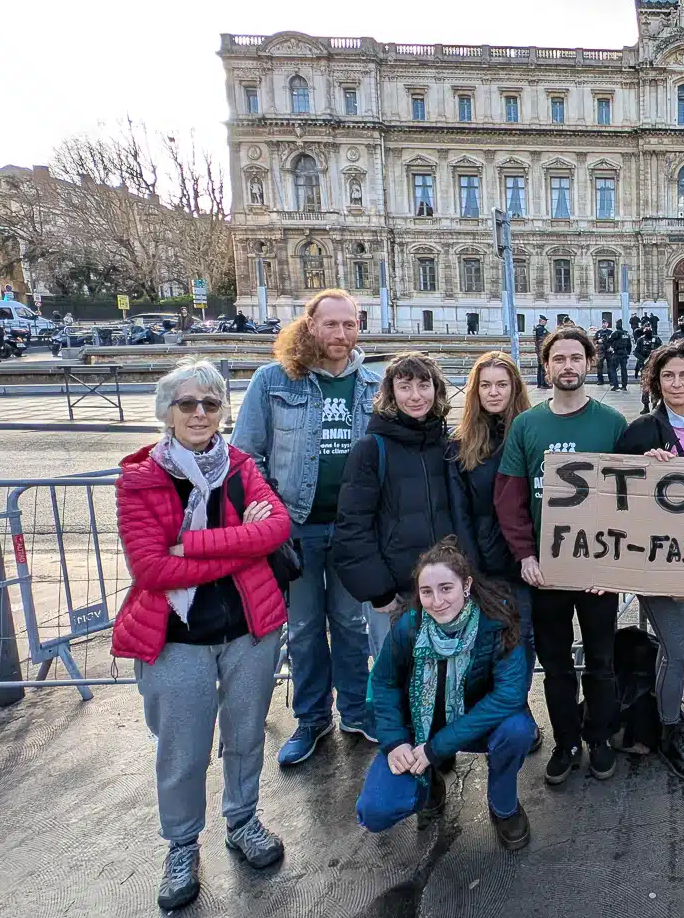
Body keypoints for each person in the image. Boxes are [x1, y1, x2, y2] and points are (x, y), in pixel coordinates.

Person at [112, 358, 291, 911]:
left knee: (245, 738)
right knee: (183, 752)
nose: (198, 413)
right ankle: (182, 844)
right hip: (175, 637)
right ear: (167, 411)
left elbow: (276, 528)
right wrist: (240, 544)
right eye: (187, 403)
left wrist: (191, 545)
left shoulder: (240, 467)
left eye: (210, 404)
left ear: (222, 412)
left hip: (249, 630)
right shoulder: (142, 477)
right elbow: (151, 570)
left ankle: (242, 821)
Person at [232, 289, 380, 767]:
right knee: (303, 628)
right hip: (295, 529)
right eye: (331, 324)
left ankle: (356, 710)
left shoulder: (374, 386)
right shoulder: (274, 381)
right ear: (310, 325)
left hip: (353, 529)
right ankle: (312, 718)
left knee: (351, 625)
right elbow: (246, 454)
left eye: (350, 325)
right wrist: (268, 509)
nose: (340, 334)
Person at [494, 326, 628, 785]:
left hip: (597, 569)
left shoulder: (611, 422)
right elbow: (509, 499)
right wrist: (525, 556)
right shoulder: (527, 425)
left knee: (601, 660)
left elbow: (633, 499)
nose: (568, 366)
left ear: (589, 363)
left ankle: (599, 737)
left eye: (576, 357)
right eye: (559, 359)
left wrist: (614, 563)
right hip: (546, 571)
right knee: (554, 664)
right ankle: (566, 739)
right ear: (546, 366)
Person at [356, 540, 535, 850]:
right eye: (427, 592)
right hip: (419, 729)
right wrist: (395, 740)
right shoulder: (409, 627)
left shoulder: (497, 624)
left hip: (474, 724)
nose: (437, 601)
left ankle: (503, 804)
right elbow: (383, 683)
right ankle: (427, 786)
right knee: (375, 810)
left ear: (466, 585)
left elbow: (509, 695)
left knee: (517, 729)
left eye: (446, 588)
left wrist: (435, 749)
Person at [614, 342, 684, 783]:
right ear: (656, 382)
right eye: (669, 376)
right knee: (676, 650)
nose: (677, 384)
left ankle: (672, 717)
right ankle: (669, 734)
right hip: (652, 559)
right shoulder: (642, 429)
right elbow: (613, 486)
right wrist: (641, 462)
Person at [332, 353, 467, 659]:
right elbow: (352, 526)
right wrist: (378, 591)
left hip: (445, 590)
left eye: (424, 385)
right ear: (391, 393)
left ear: (437, 390)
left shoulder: (448, 447)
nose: (416, 396)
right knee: (395, 687)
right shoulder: (371, 449)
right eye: (405, 387)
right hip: (396, 594)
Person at [447, 351, 540, 743]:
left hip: (529, 555)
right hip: (486, 559)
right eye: (485, 385)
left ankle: (518, 706)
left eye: (502, 384)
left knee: (528, 637)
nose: (493, 391)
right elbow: (460, 512)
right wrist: (471, 568)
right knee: (500, 642)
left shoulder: (533, 432)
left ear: (515, 388)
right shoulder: (461, 445)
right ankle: (514, 710)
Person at [609, 319, 632, 391]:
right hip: (624, 353)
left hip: (617, 353)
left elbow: (609, 340)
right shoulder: (626, 333)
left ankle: (615, 385)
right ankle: (624, 386)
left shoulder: (616, 333)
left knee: (612, 368)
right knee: (624, 369)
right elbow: (629, 345)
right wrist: (627, 352)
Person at [532, 316, 551, 389]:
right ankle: (543, 383)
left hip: (538, 350)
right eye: (545, 321)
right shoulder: (541, 329)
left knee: (540, 367)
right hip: (541, 350)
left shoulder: (536, 329)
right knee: (543, 367)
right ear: (541, 321)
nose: (546, 322)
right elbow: (542, 341)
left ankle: (539, 383)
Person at [594, 319, 614, 385]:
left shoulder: (610, 332)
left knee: (610, 366)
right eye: (603, 323)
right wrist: (598, 341)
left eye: (605, 323)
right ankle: (600, 380)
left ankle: (611, 380)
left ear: (607, 324)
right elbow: (594, 341)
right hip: (600, 352)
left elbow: (613, 341)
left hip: (608, 351)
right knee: (599, 366)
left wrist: (611, 347)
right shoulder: (598, 332)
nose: (604, 325)